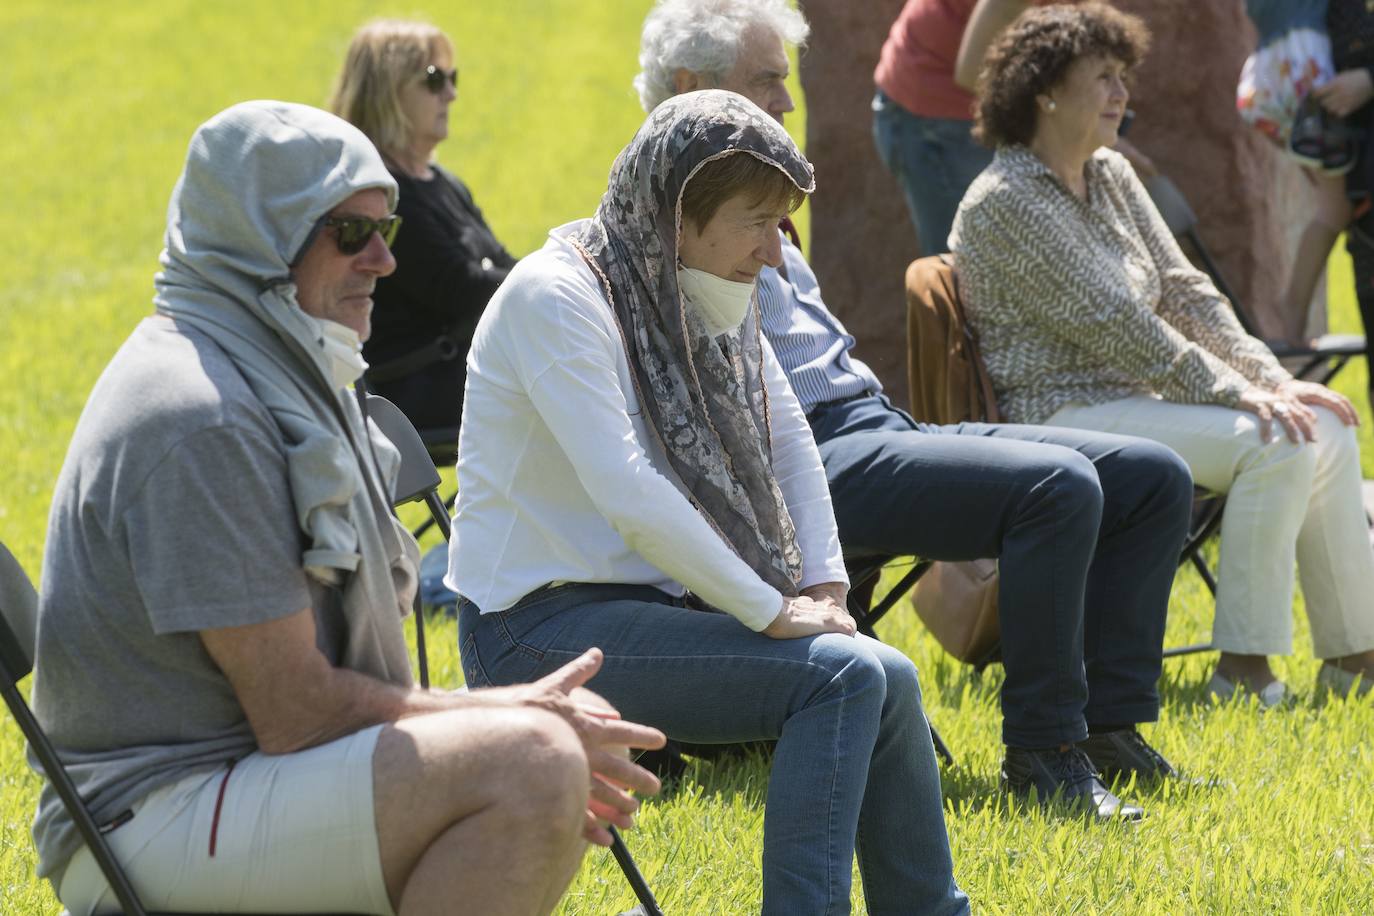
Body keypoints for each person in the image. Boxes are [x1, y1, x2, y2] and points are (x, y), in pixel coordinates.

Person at [29, 100, 663, 916]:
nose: (383, 262)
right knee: (532, 759)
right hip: (144, 817)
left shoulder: (269, 361)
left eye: (386, 229)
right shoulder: (201, 415)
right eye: (347, 233)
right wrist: (500, 710)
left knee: (551, 735)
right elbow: (294, 714)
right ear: (256, 236)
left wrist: (500, 716)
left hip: (232, 779)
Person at [635, 0, 1195, 820]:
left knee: (1152, 475)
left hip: (874, 426)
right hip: (804, 461)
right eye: (769, 85)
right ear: (692, 87)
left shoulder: (752, 189)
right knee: (1060, 487)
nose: (788, 105)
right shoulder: (666, 208)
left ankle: (1111, 728)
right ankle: (1044, 753)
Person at [449, 89, 969, 914]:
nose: (774, 252)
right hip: (531, 632)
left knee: (888, 674)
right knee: (836, 678)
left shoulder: (689, 287)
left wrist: (825, 590)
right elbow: (627, 493)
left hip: (642, 608)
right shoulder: (555, 297)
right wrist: (771, 610)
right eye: (756, 221)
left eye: (782, 223)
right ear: (677, 216)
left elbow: (788, 436)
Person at [952, 2, 1374, 708]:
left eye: (1125, 77)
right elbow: (1115, 322)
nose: (1123, 95)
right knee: (1274, 441)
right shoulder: (1007, 199)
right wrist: (1235, 394)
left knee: (1324, 423)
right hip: (1062, 412)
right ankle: (1242, 671)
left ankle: (1353, 658)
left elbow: (1186, 292)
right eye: (1104, 78)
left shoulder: (1109, 172)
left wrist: (1271, 377)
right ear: (1045, 91)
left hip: (1138, 400)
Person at [329, 19, 517, 435]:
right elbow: (465, 289)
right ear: (387, 91)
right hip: (422, 393)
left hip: (474, 372)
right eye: (434, 80)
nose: (451, 93)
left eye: (452, 78)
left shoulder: (443, 182)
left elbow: (503, 266)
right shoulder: (378, 194)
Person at [871, 0, 1156, 257]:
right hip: (937, 114)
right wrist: (1086, 130)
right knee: (972, 273)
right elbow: (974, 73)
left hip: (989, 98)